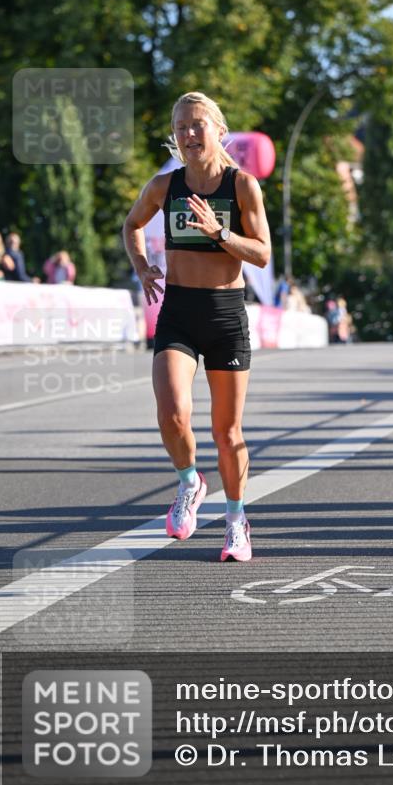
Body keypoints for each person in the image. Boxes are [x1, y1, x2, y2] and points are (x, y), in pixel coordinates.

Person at [122, 91, 271, 562]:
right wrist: (143, 267)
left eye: (197, 125)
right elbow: (132, 226)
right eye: (181, 126)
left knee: (227, 433)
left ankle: (235, 520)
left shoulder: (242, 185)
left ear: (218, 131)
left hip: (226, 315)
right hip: (179, 312)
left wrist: (221, 234)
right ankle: (190, 481)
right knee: (171, 413)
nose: (188, 134)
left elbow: (264, 254)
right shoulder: (165, 187)